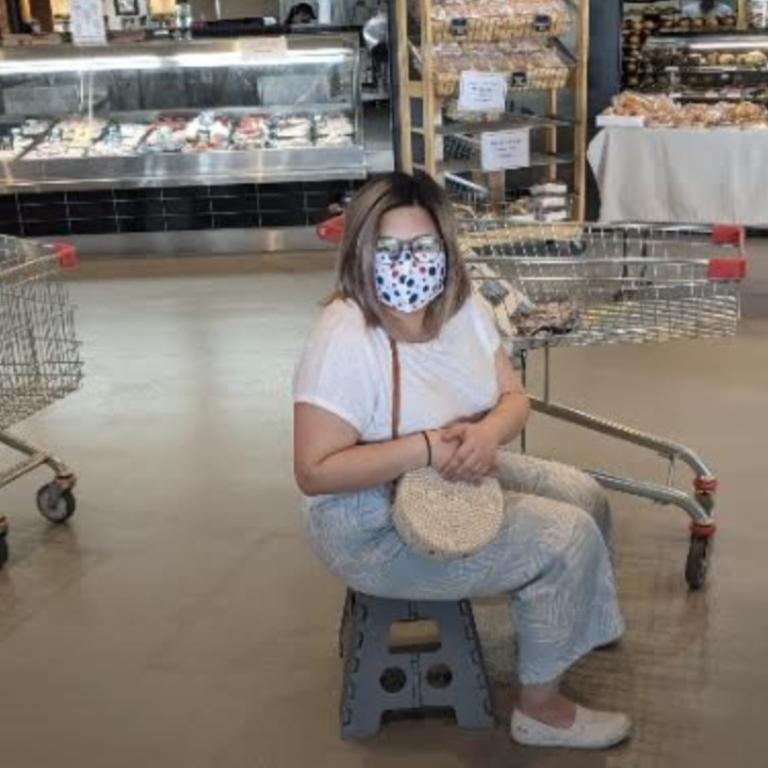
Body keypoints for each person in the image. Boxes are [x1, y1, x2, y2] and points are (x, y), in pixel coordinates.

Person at [293, 172, 630, 750]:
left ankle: (569, 629)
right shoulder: (346, 335)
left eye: (423, 247)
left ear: (445, 248)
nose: (408, 263)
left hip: (449, 471)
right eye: (388, 248)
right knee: (564, 536)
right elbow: (315, 471)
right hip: (370, 522)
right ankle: (540, 711)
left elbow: (513, 397)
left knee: (583, 496)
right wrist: (426, 445)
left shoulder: (461, 307)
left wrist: (488, 434)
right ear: (360, 251)